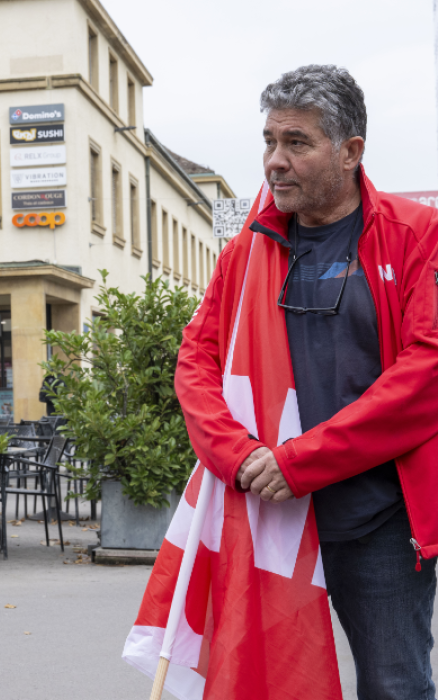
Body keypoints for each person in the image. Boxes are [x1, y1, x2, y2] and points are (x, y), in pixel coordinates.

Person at [175, 65, 438, 699]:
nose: (274, 161)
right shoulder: (246, 250)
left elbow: (428, 371)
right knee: (274, 686)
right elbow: (197, 361)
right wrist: (237, 458)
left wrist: (301, 462)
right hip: (267, 517)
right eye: (269, 141)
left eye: (297, 143)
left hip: (377, 523)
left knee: (395, 685)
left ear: (350, 152)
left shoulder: (415, 235)